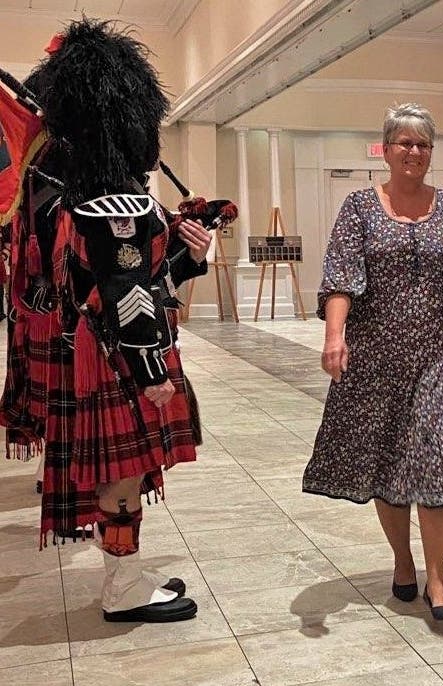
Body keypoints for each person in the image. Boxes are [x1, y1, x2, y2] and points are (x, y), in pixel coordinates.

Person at [27, 18, 210, 622]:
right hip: (122, 357)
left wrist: (190, 256)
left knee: (120, 473)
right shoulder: (121, 207)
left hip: (94, 350)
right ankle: (122, 591)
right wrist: (152, 368)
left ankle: (122, 576)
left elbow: (141, 280)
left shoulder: (71, 202)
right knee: (124, 476)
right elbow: (131, 297)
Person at [302, 103, 443, 621]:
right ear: (385, 150)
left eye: (423, 144)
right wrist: (334, 335)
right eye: (404, 142)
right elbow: (341, 274)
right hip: (377, 355)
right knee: (389, 461)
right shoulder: (359, 207)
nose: (414, 151)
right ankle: (403, 561)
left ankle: (437, 578)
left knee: (439, 456)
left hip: (441, 354)